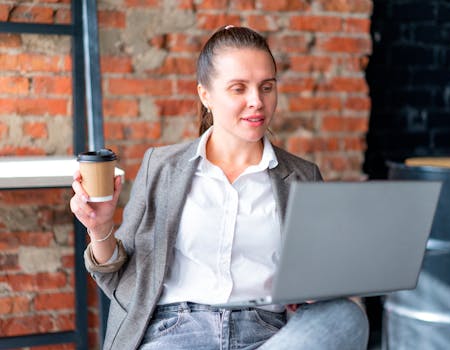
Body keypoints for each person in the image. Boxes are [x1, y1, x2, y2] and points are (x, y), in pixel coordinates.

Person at [70, 25, 369, 350]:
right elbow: (119, 279)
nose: (257, 101)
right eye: (239, 88)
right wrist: (100, 228)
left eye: (266, 87)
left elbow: (316, 275)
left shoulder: (302, 175)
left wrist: (319, 288)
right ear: (205, 95)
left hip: (268, 335)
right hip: (176, 333)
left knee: (346, 315)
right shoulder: (161, 167)